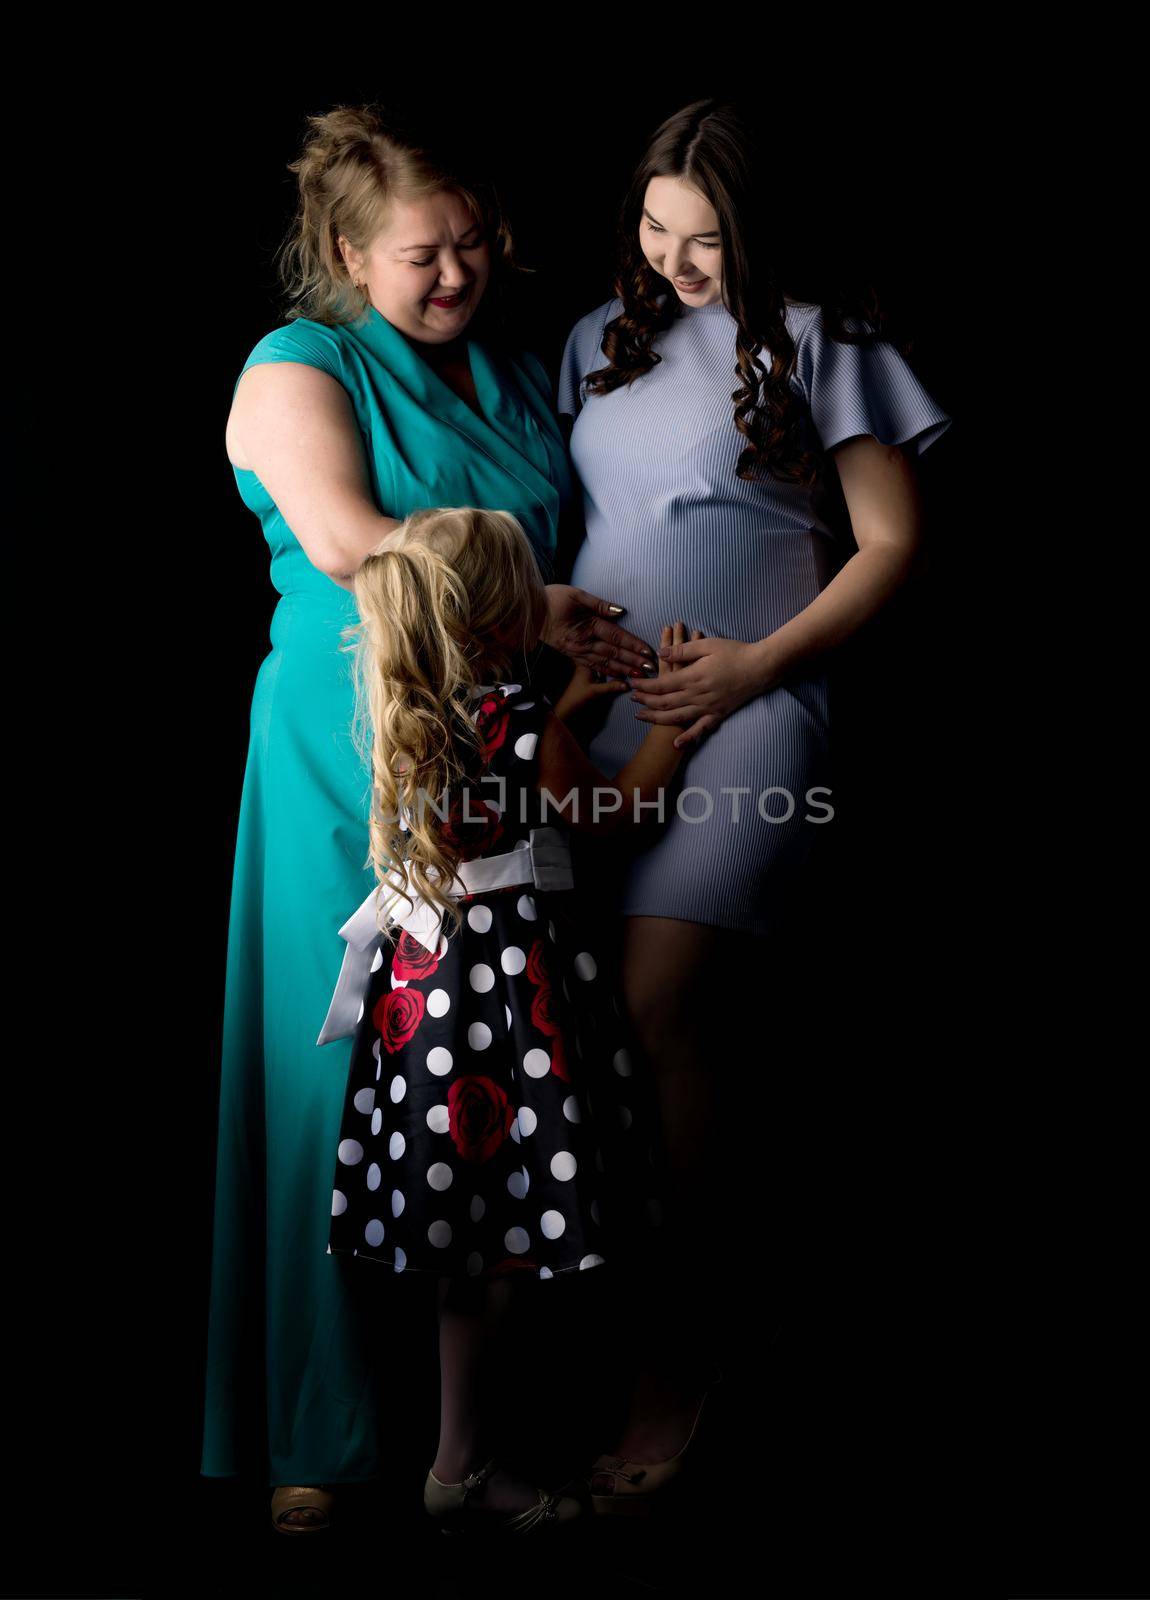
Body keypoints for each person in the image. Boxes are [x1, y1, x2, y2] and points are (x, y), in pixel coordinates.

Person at [201, 103, 656, 1535]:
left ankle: (469, 1446)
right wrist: (534, 606)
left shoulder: (522, 374)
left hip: (502, 765)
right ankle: (312, 1433)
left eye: (475, 244)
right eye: (422, 253)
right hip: (352, 752)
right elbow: (346, 540)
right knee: (329, 1081)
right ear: (346, 251)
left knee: (493, 1103)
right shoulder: (297, 364)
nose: (457, 274)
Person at [555, 98, 955, 1510]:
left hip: (755, 717)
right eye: (656, 229)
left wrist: (752, 671)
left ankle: (683, 1369)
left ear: (761, 227)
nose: (675, 261)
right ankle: (597, 1343)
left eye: (706, 239)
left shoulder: (826, 340)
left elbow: (893, 543)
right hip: (601, 729)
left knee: (663, 1014)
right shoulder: (600, 341)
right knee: (585, 1033)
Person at [315, 505, 692, 1533]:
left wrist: (562, 706)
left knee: (469, 1243)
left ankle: (458, 1458)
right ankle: (469, 1466)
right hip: (510, 1006)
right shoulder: (528, 727)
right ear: (501, 619)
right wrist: (671, 725)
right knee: (507, 1251)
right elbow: (617, 816)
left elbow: (490, 798)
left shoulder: (414, 713)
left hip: (432, 1009)